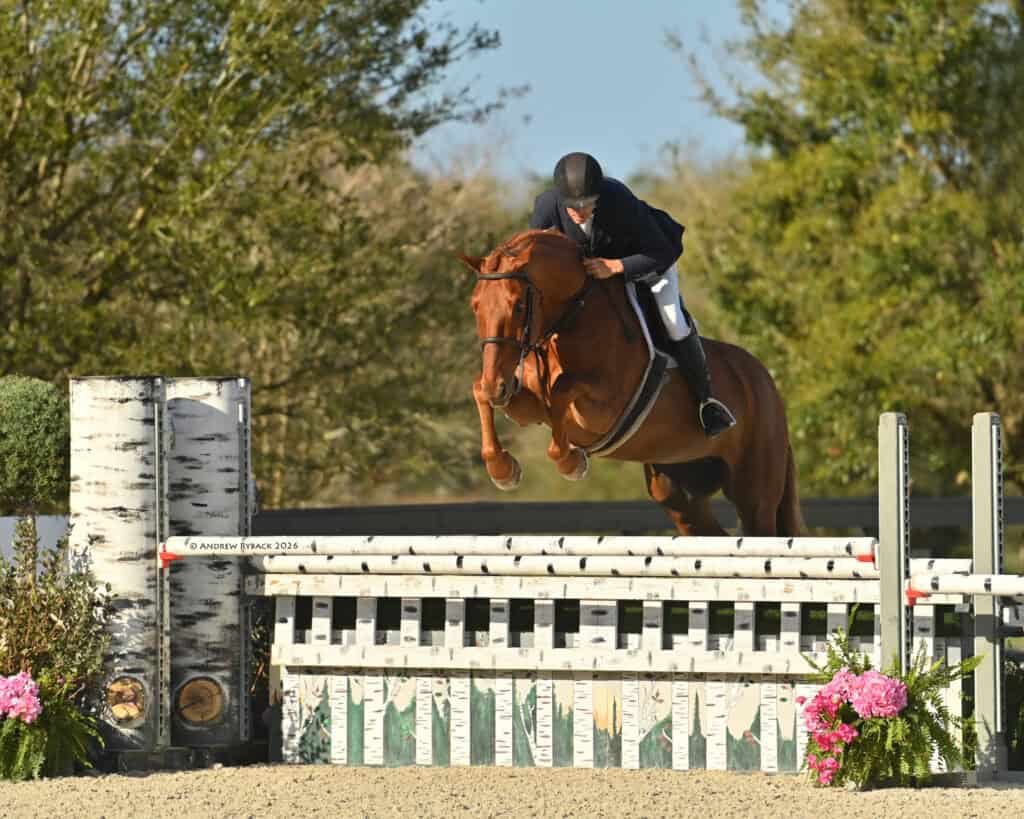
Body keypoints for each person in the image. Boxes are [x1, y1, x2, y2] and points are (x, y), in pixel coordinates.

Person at [529, 151, 736, 438]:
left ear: (597, 197)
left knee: (673, 321)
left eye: (586, 204)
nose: (578, 212)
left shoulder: (618, 200)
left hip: (645, 264)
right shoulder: (547, 206)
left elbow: (659, 253)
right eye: (571, 206)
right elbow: (535, 259)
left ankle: (706, 401)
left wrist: (616, 266)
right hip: (591, 278)